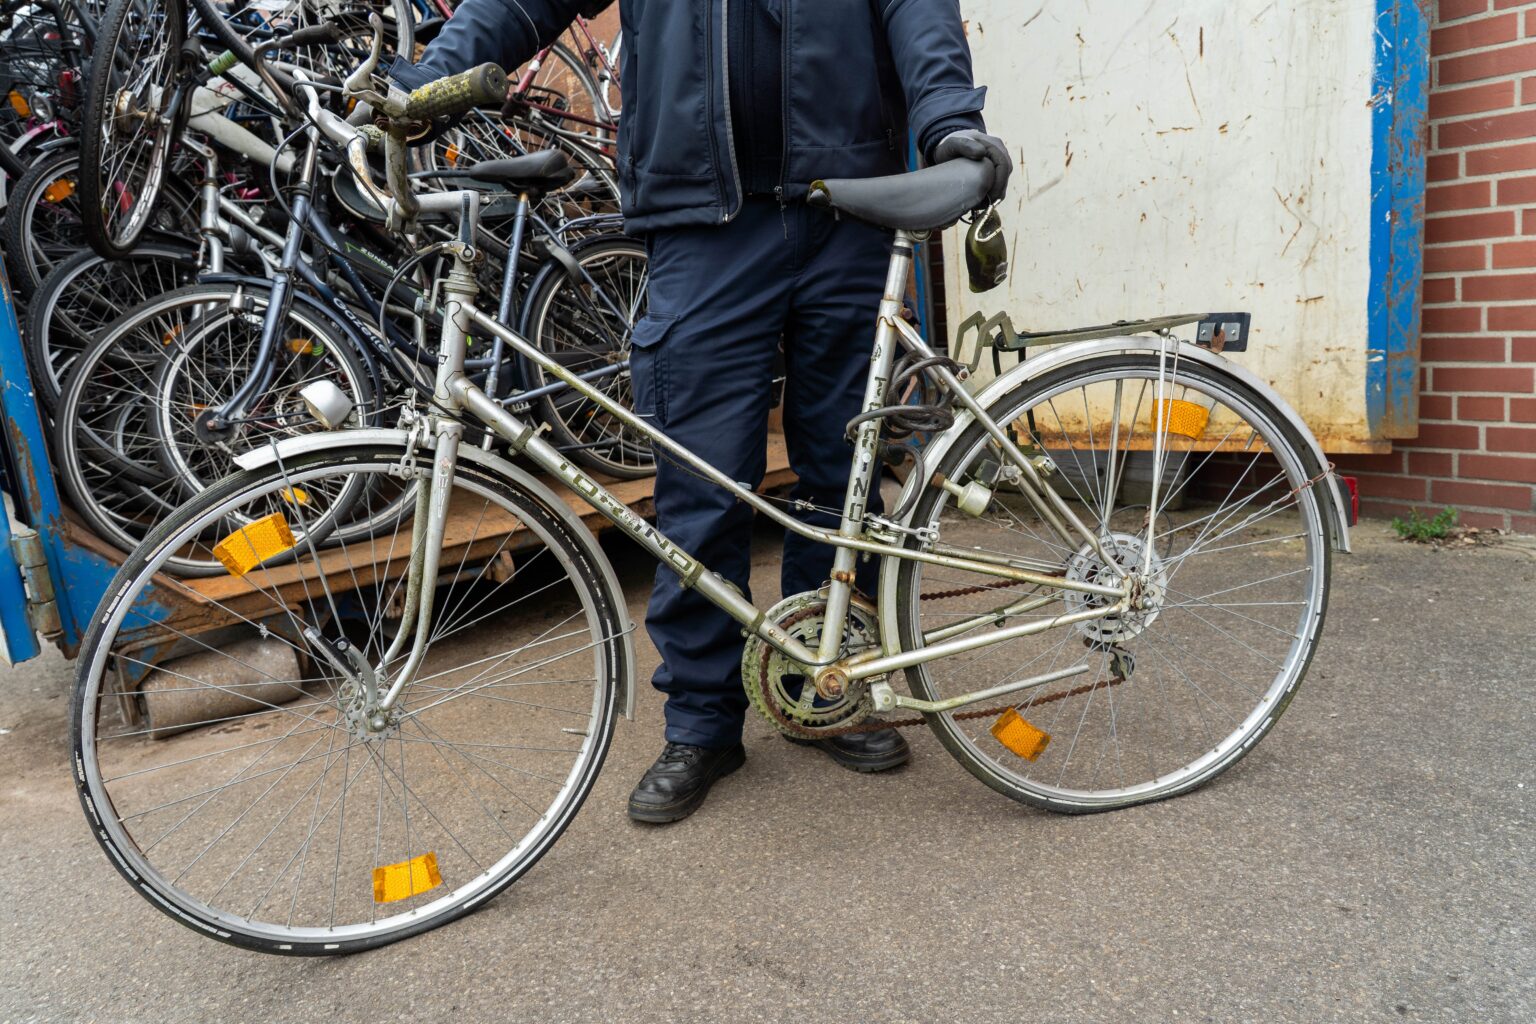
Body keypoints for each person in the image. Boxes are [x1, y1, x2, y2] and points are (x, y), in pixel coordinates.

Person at [391, 0, 1011, 823]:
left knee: (844, 474)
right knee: (701, 485)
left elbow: (915, 8)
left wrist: (948, 123)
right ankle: (703, 723)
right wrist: (430, 79)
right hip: (702, 218)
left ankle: (820, 681)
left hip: (853, 205)